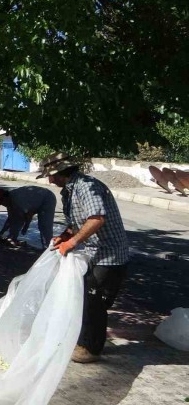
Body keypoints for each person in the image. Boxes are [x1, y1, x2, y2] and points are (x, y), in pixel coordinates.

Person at [39, 152, 130, 364]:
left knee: (94, 301)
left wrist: (72, 243)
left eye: (51, 175)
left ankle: (91, 348)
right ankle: (83, 339)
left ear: (61, 172)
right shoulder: (69, 192)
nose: (50, 180)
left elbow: (96, 219)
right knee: (84, 297)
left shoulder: (88, 187)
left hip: (109, 256)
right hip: (92, 253)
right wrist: (65, 236)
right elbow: (77, 223)